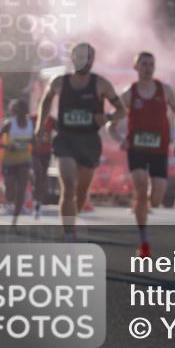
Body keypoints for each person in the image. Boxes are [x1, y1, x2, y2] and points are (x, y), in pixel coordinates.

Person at [36, 43, 126, 240]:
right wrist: (40, 126)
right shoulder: (59, 82)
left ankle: (72, 219)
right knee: (68, 187)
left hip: (89, 141)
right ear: (72, 58)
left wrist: (108, 118)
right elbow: (46, 100)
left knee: (81, 192)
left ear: (92, 60)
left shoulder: (101, 84)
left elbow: (122, 110)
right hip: (65, 140)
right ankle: (69, 233)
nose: (83, 60)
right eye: (79, 56)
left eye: (88, 57)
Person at [109, 51, 175, 258]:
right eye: (144, 64)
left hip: (159, 150)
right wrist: (121, 140)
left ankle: (141, 202)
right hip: (137, 150)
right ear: (136, 68)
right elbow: (111, 125)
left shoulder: (165, 90)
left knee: (156, 199)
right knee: (142, 190)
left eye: (151, 64)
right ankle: (143, 242)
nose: (148, 68)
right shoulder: (129, 94)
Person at [0, 99, 36, 229]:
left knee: (22, 189)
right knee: (10, 194)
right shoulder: (9, 124)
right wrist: (7, 146)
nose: (22, 113)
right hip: (9, 161)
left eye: (24, 110)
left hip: (24, 160)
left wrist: (35, 142)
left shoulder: (31, 124)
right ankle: (3, 188)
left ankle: (15, 220)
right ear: (15, 111)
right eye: (19, 110)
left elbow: (34, 142)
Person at [30, 112, 56, 219]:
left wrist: (55, 144)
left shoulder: (51, 120)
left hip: (46, 153)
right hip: (33, 152)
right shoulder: (31, 119)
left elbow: (62, 131)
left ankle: (38, 203)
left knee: (43, 178)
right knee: (38, 174)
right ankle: (34, 198)